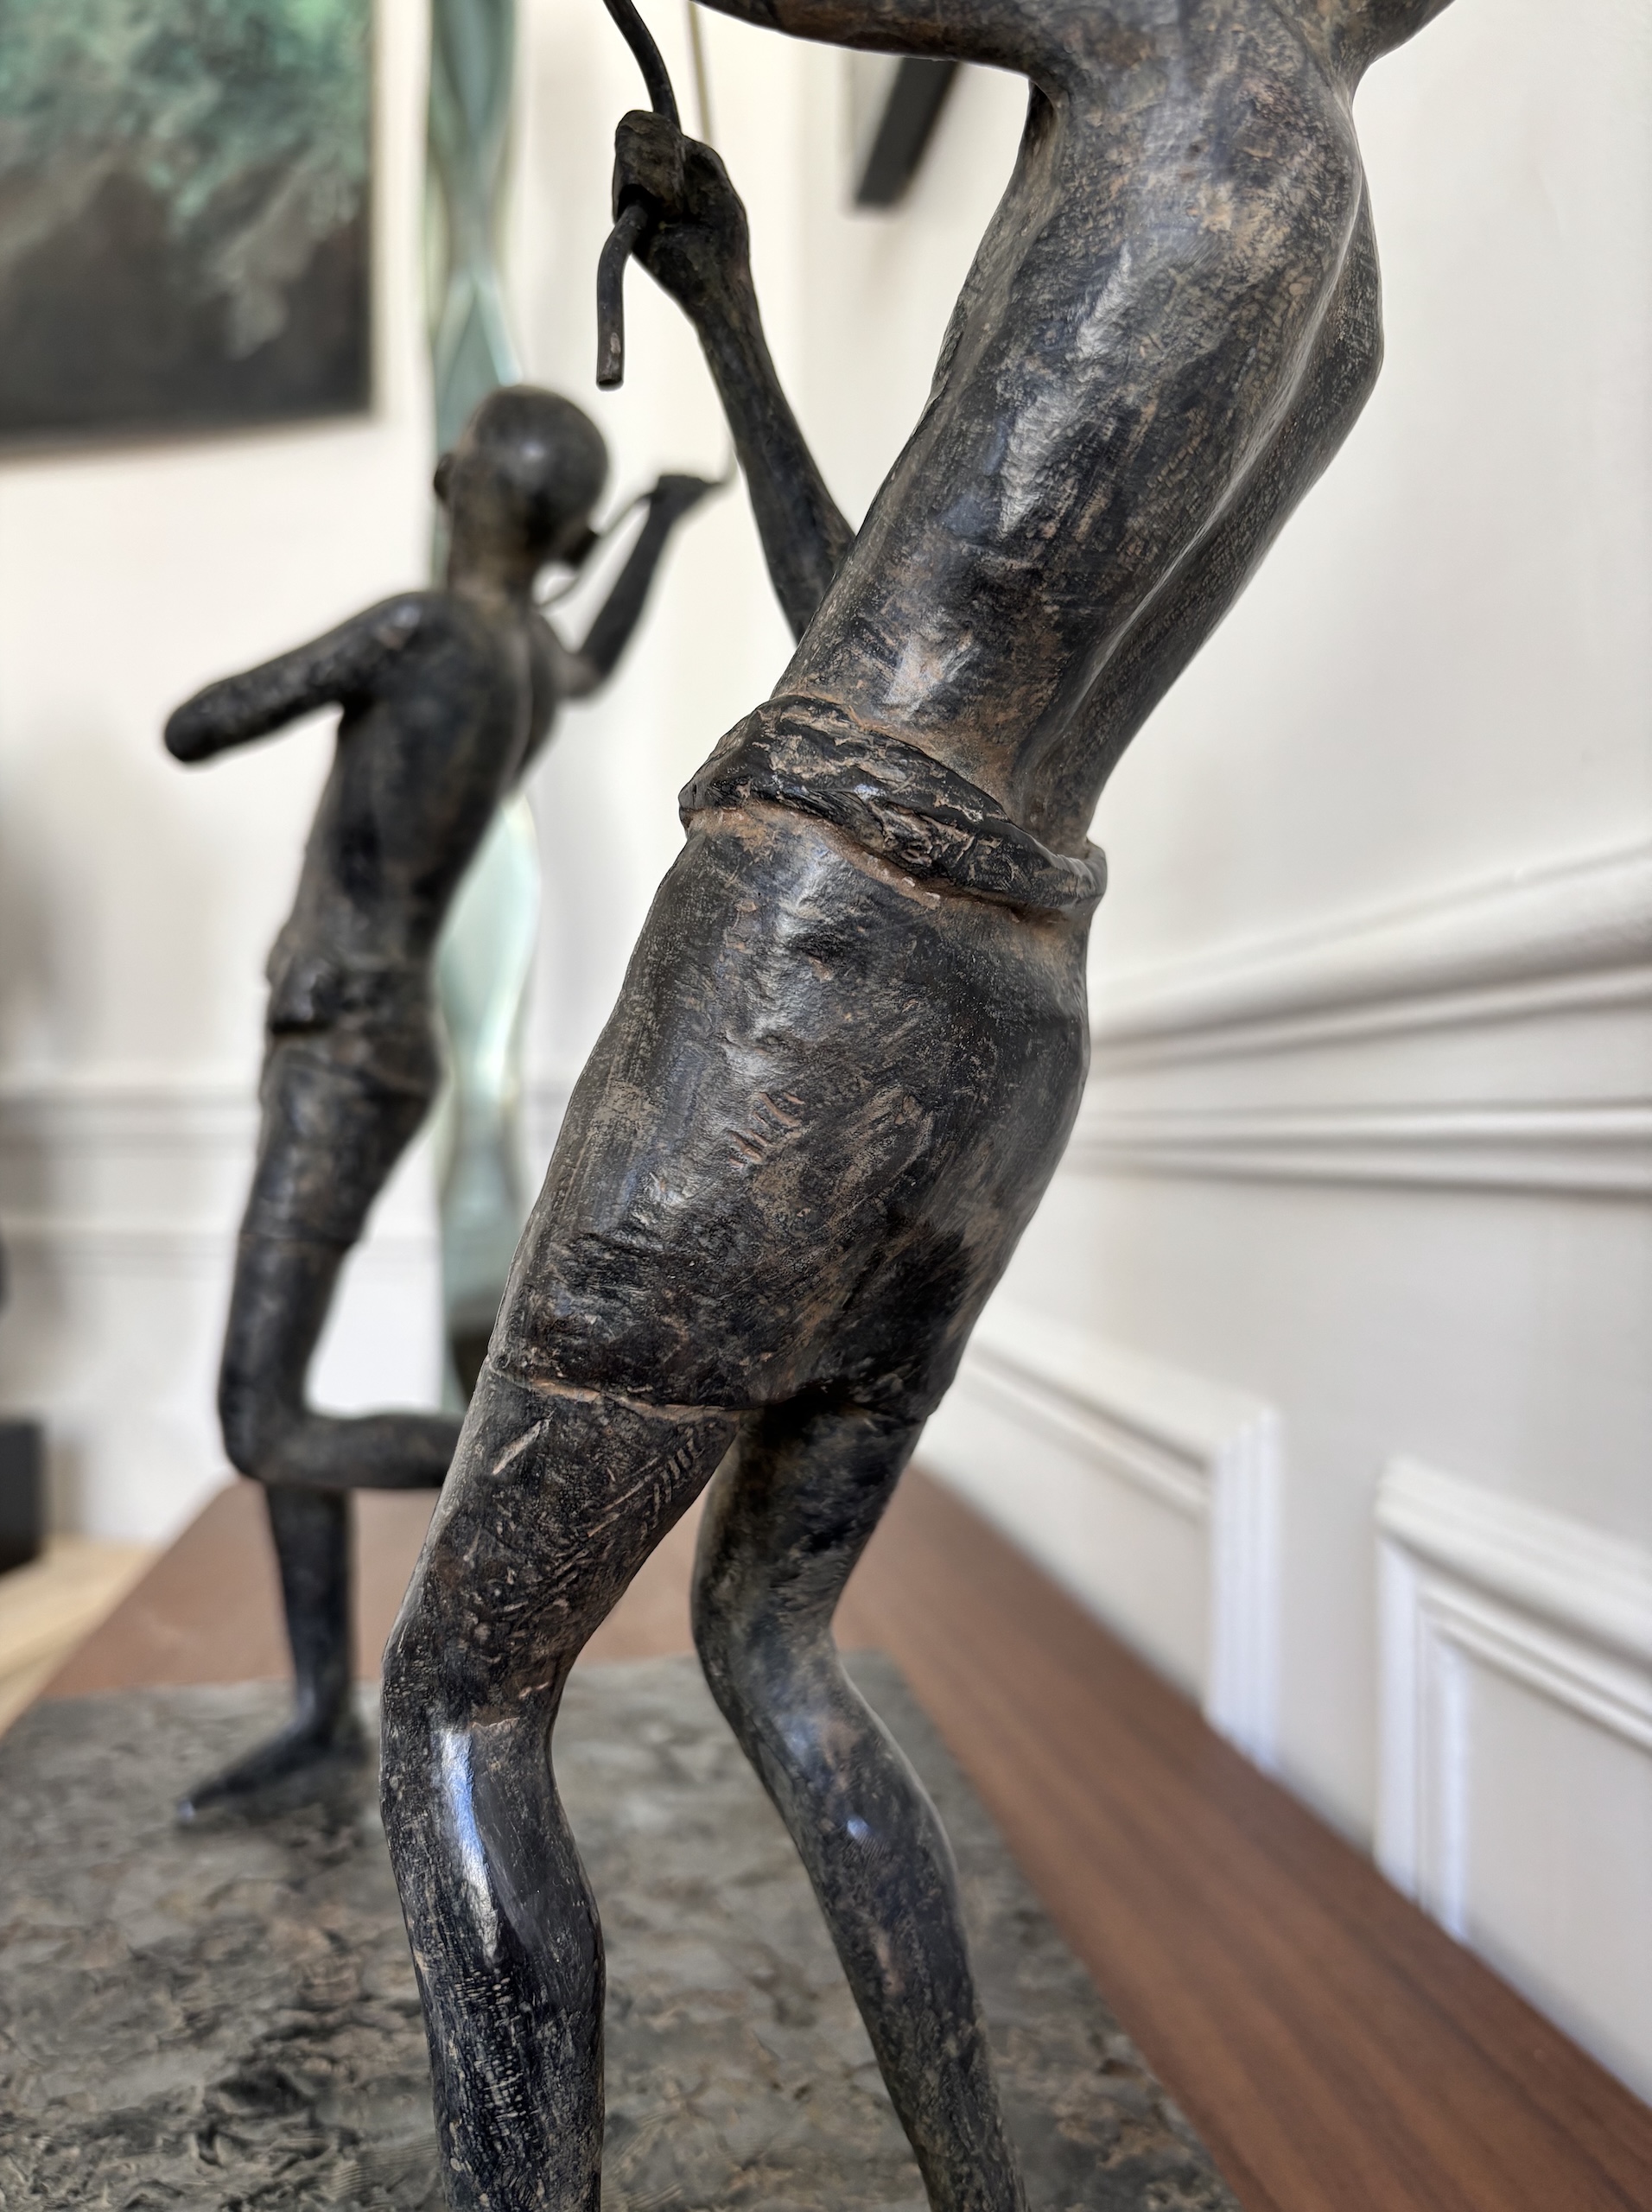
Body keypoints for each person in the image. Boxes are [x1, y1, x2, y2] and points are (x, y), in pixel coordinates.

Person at [380, 4, 1459, 2206]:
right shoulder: (1344, 287)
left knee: (463, 1698)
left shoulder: (1180, 34)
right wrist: (732, 318)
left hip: (809, 964)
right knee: (773, 1644)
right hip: (1012, 1014)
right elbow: (887, 612)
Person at [166, 386, 714, 1814]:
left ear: (466, 488)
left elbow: (195, 726)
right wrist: (655, 528)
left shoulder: (419, 630)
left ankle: (554, 1469)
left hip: (342, 1038)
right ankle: (316, 1712)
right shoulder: (526, 657)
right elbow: (593, 655)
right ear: (563, 533)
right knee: (285, 1396)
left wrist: (337, 662)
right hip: (371, 1035)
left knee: (257, 1420)